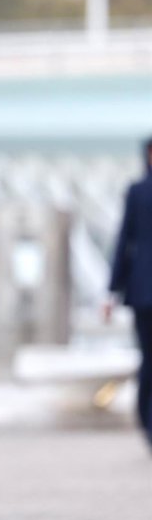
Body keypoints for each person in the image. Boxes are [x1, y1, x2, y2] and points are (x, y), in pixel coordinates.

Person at [104, 135, 152, 450]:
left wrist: (113, 290)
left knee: (149, 358)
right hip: (143, 291)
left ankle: (147, 420)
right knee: (148, 357)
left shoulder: (137, 191)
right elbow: (125, 241)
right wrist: (111, 292)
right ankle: (148, 420)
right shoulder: (137, 191)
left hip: (141, 289)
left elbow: (124, 241)